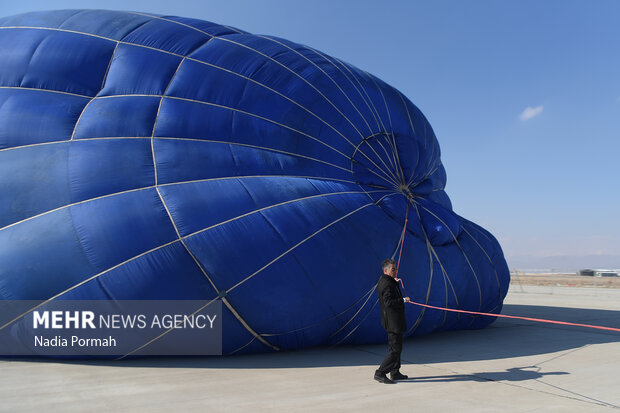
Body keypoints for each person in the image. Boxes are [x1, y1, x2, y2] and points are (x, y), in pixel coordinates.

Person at [374, 258, 410, 384]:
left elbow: (392, 292)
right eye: (393, 269)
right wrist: (403, 300)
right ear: (386, 270)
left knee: (396, 348)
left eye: (396, 269)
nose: (396, 271)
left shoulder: (388, 281)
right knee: (395, 350)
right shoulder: (386, 283)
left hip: (396, 321)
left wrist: (395, 283)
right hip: (393, 322)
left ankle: (395, 372)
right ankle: (380, 373)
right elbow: (388, 302)